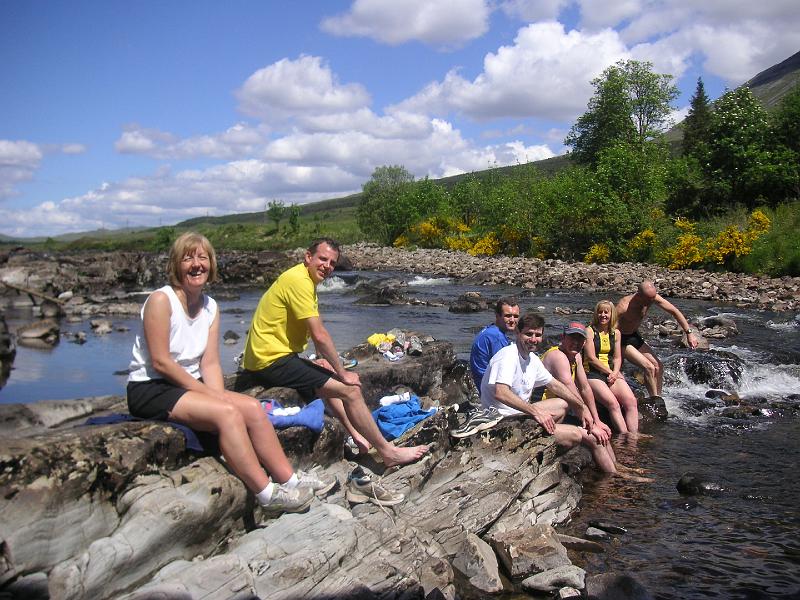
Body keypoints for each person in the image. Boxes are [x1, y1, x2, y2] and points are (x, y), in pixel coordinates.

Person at [127, 232, 333, 516]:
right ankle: (267, 494)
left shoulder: (210, 306)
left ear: (211, 264)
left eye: (203, 258)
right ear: (176, 264)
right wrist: (213, 399)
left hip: (186, 386)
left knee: (251, 407)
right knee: (228, 414)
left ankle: (290, 479)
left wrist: (218, 394)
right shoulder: (161, 301)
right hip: (152, 388)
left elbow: (210, 362)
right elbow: (161, 362)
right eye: (189, 258)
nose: (196, 264)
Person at [242, 237, 428, 473]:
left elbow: (314, 328)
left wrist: (326, 363)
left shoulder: (303, 279)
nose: (327, 266)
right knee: (350, 390)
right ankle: (388, 452)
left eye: (332, 262)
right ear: (308, 257)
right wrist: (343, 373)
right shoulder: (298, 282)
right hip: (271, 361)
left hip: (269, 357)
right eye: (322, 259)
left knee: (325, 374)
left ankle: (358, 437)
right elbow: (319, 335)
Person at [478, 313, 617, 473]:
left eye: (538, 335)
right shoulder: (507, 356)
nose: (533, 339)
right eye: (528, 334)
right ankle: (614, 479)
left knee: (563, 404)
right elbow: (501, 393)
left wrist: (582, 408)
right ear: (517, 333)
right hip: (501, 423)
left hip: (518, 415)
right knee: (591, 438)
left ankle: (617, 468)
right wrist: (536, 412)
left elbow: (556, 386)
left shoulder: (532, 359)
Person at [616, 281, 698, 398]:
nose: (651, 301)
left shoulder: (651, 297)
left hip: (633, 336)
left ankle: (658, 397)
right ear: (639, 295)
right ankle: (654, 401)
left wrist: (689, 333)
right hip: (621, 339)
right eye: (648, 299)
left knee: (658, 367)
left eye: (652, 298)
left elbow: (674, 311)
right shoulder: (624, 306)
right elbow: (608, 326)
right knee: (649, 367)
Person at [583, 300, 639, 433]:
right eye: (600, 312)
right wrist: (611, 372)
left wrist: (615, 371)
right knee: (613, 404)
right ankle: (624, 435)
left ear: (611, 314)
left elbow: (617, 357)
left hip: (610, 372)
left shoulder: (616, 333)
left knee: (631, 402)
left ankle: (634, 435)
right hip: (592, 374)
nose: (603, 315)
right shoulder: (589, 331)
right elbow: (591, 358)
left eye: (606, 312)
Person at [469, 297, 520, 388]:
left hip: (485, 382)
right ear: (497, 316)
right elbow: (503, 369)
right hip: (489, 389)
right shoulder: (496, 337)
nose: (512, 320)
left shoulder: (492, 330)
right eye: (508, 316)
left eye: (515, 316)